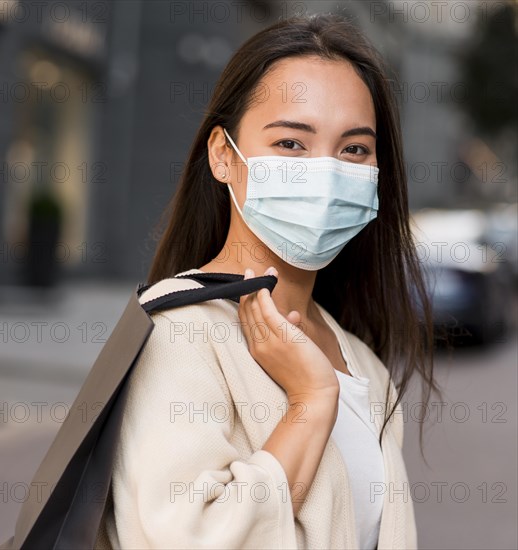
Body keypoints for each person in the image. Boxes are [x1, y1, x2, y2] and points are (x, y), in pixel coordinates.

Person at [102, 13, 441, 550]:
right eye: (290, 143)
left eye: (354, 149)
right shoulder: (180, 334)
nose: (325, 172)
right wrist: (309, 404)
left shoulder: (365, 365)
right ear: (222, 155)